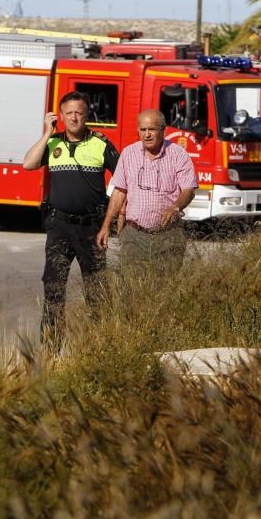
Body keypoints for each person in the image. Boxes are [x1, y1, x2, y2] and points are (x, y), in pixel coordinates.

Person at [23, 91, 120, 342]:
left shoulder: (101, 143)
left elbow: (122, 180)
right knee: (53, 290)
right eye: (69, 113)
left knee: (97, 291)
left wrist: (110, 222)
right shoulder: (53, 143)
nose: (74, 117)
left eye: (79, 112)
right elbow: (28, 164)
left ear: (87, 115)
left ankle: (100, 346)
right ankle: (52, 351)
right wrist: (46, 133)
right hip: (60, 227)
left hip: (92, 229)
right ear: (61, 116)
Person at [95, 109, 198, 272]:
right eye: (143, 130)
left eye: (152, 129)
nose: (147, 135)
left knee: (164, 288)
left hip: (168, 236)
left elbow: (189, 190)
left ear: (163, 131)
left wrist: (175, 207)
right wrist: (106, 225)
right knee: (133, 288)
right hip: (134, 234)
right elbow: (119, 192)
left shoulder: (178, 155)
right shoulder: (129, 153)